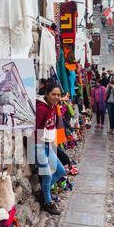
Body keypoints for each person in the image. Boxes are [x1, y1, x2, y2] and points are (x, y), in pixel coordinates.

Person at [35, 82, 66, 215]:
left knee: (60, 171)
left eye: (58, 95)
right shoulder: (42, 109)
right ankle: (47, 202)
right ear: (47, 94)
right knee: (47, 175)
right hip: (38, 145)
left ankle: (43, 192)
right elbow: (34, 129)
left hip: (48, 144)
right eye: (53, 94)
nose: (56, 97)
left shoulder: (53, 107)